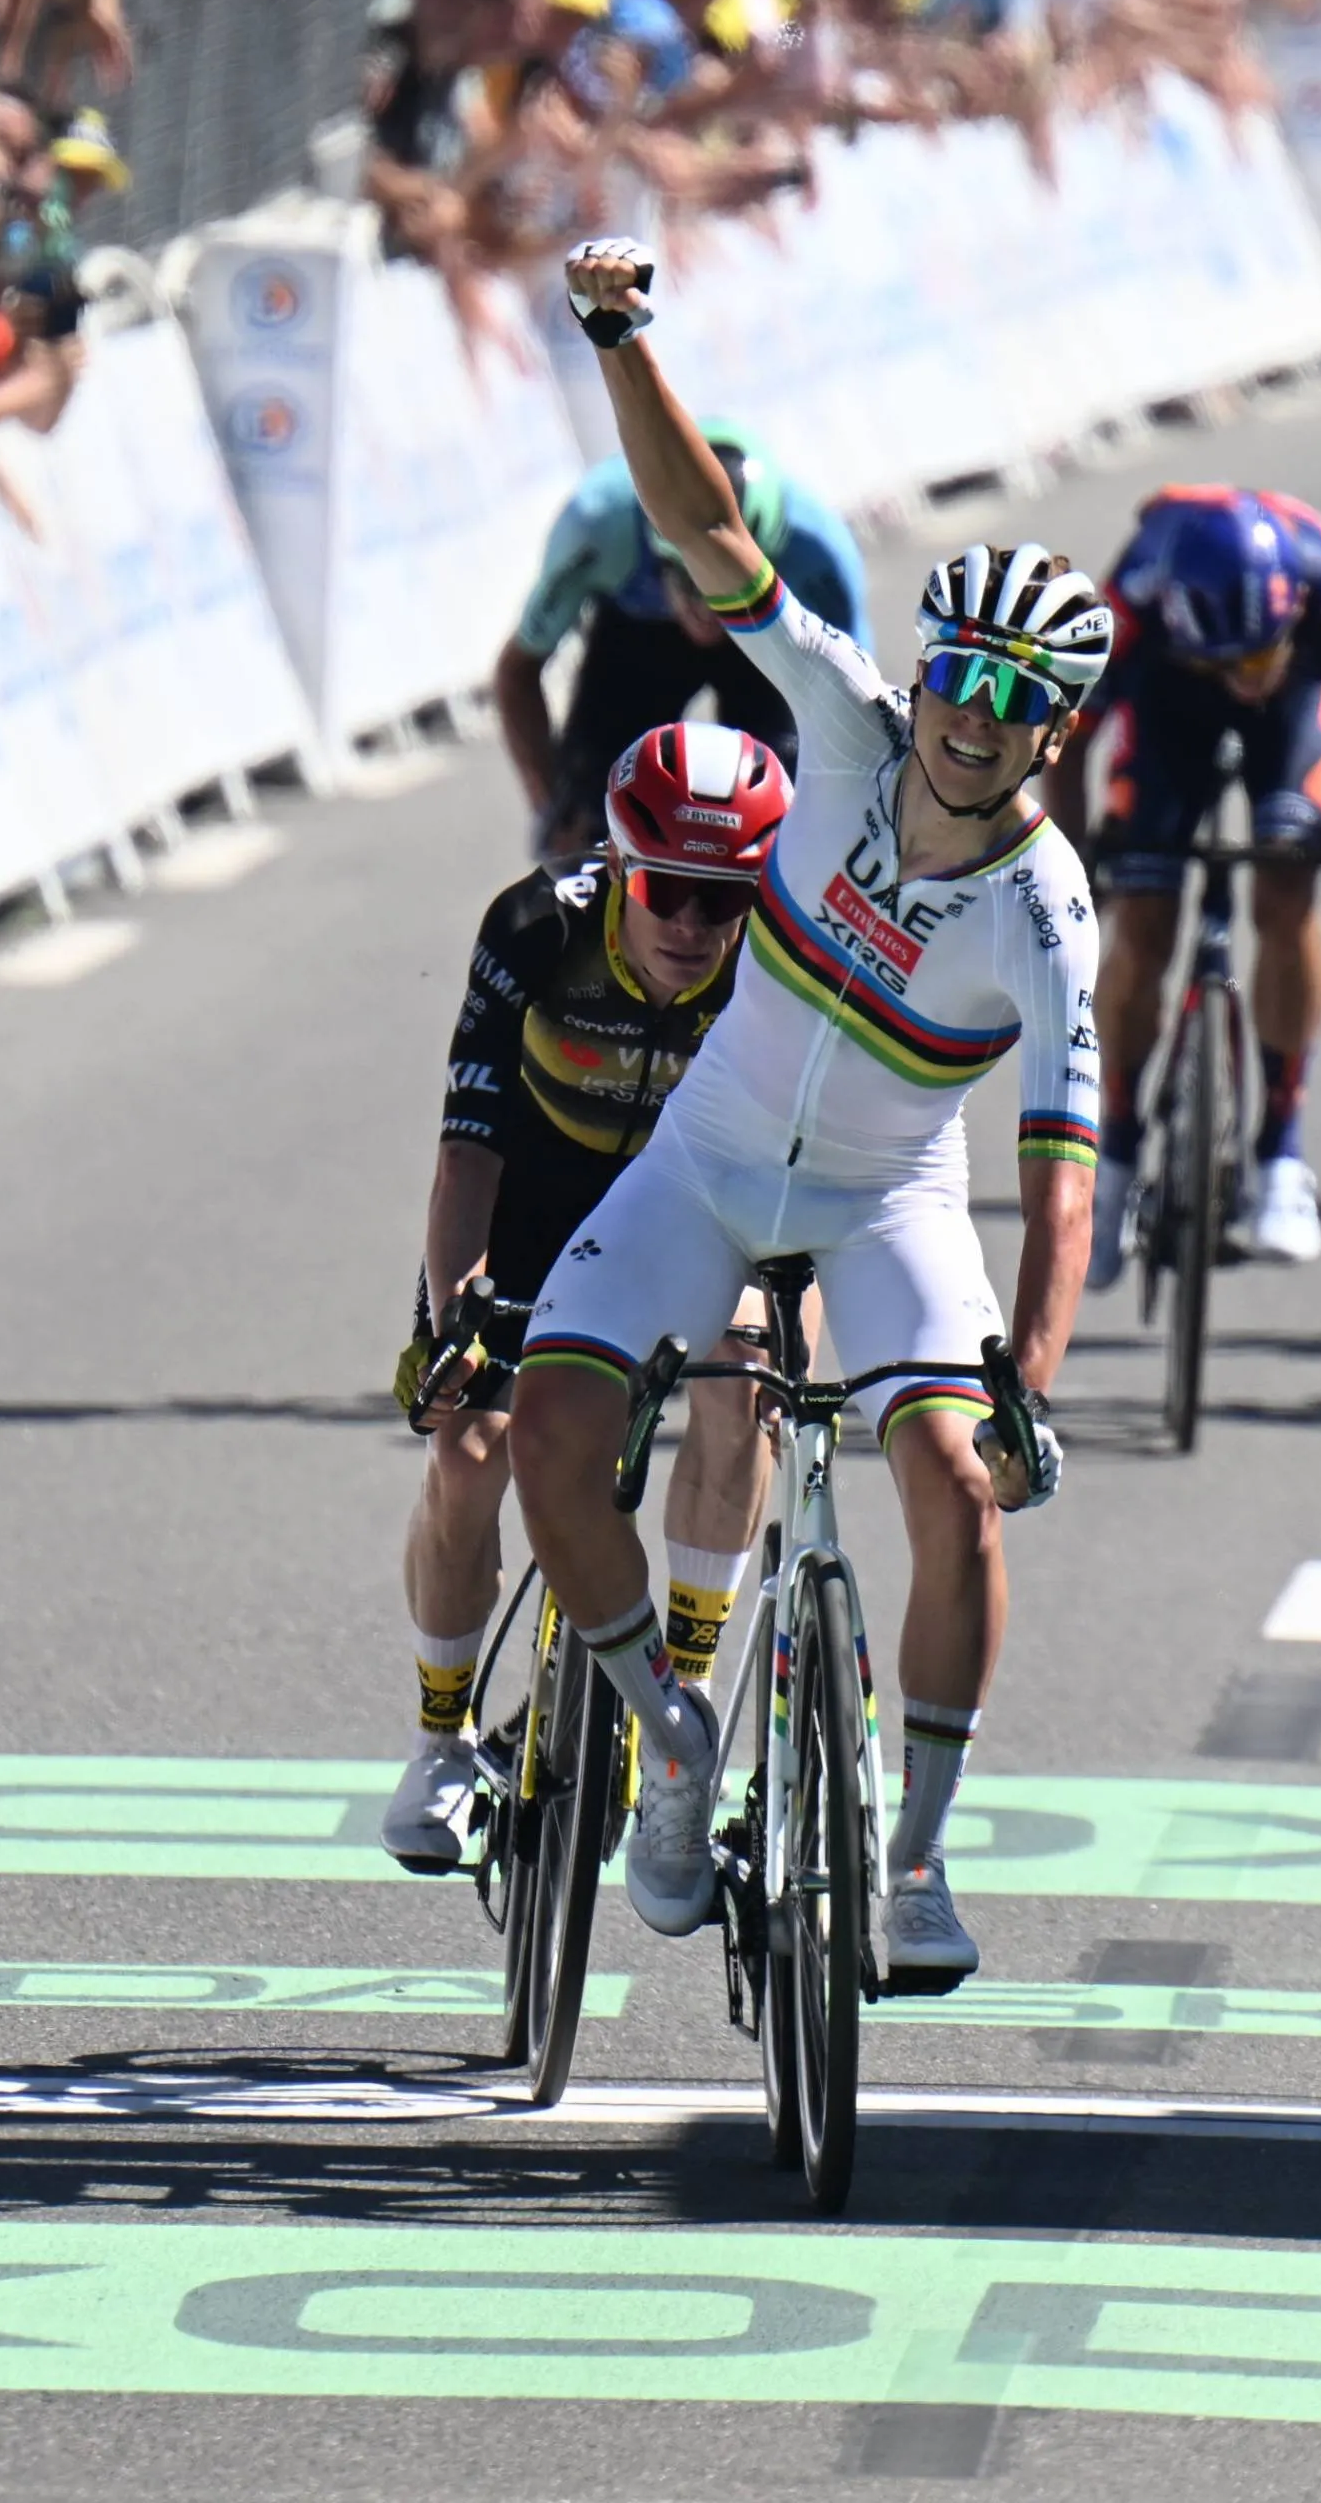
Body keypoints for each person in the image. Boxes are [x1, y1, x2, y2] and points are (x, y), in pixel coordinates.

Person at [503, 235, 1099, 1988]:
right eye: (963, 680)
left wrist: (1032, 1380)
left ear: (1056, 732)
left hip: (888, 1200)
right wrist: (622, 341)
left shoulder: (1048, 913)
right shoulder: (844, 723)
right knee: (549, 1426)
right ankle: (663, 1735)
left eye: (1019, 700)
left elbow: (1063, 1175)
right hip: (702, 1161)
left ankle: (914, 1862)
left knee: (951, 1488)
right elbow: (712, 541)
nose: (974, 721)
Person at [381, 720, 787, 1869]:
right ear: (618, 865)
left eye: (728, 901)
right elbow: (469, 1150)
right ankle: (442, 1741)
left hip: (697, 1206)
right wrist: (458, 1314)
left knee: (746, 1383)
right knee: (472, 1453)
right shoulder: (533, 929)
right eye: (669, 892)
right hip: (538, 1203)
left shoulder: (779, 959)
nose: (695, 928)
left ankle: (678, 1710)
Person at [1053, 485, 1321, 1276]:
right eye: (1228, 662)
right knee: (1142, 920)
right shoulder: (1128, 608)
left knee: (1288, 890)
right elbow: (1070, 748)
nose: (1245, 677)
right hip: (1170, 698)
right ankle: (1114, 1152)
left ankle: (1282, 1152)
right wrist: (1073, 873)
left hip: (1298, 709)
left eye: (1258, 658)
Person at [490, 416, 864, 858]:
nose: (709, 612)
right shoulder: (596, 526)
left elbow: (854, 715)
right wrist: (555, 810)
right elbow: (518, 670)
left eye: (725, 585)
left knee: (795, 821)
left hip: (762, 636)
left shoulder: (818, 550)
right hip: (642, 634)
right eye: (692, 582)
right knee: (590, 818)